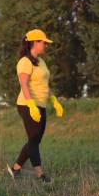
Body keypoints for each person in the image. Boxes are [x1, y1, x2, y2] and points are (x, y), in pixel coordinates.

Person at [7, 29, 64, 183]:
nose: (45, 44)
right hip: (27, 104)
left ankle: (16, 168)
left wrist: (54, 100)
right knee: (33, 140)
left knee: (35, 140)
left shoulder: (41, 62)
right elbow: (24, 84)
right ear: (33, 42)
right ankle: (41, 175)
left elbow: (45, 84)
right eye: (43, 42)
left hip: (41, 104)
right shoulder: (24, 62)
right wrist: (31, 105)